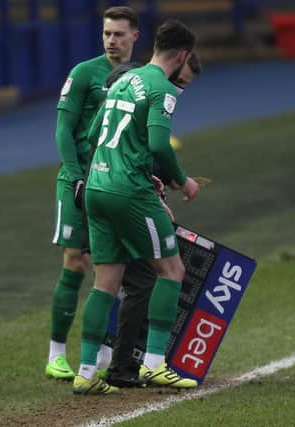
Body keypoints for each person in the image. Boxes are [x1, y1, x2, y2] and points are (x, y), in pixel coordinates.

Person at [73, 18, 200, 395]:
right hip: (129, 190)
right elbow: (161, 146)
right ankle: (155, 364)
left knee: (106, 283)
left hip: (96, 186)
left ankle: (85, 372)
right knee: (171, 270)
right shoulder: (164, 88)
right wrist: (182, 181)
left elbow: (94, 134)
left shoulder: (123, 79)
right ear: (182, 56)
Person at [46, 6, 139, 384]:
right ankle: (55, 355)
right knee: (74, 262)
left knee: (113, 266)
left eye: (119, 34)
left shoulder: (139, 77)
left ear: (136, 35)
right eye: (106, 34)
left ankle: (102, 348)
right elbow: (63, 130)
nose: (111, 41)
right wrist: (73, 175)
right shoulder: (84, 73)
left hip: (114, 184)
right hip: (79, 183)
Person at [101, 53, 203, 389]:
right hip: (123, 194)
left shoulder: (135, 83)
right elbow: (150, 148)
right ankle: (130, 364)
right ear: (174, 62)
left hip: (105, 189)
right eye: (179, 82)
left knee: (114, 281)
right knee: (150, 277)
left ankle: (99, 366)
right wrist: (169, 188)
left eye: (184, 86)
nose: (178, 90)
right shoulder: (145, 86)